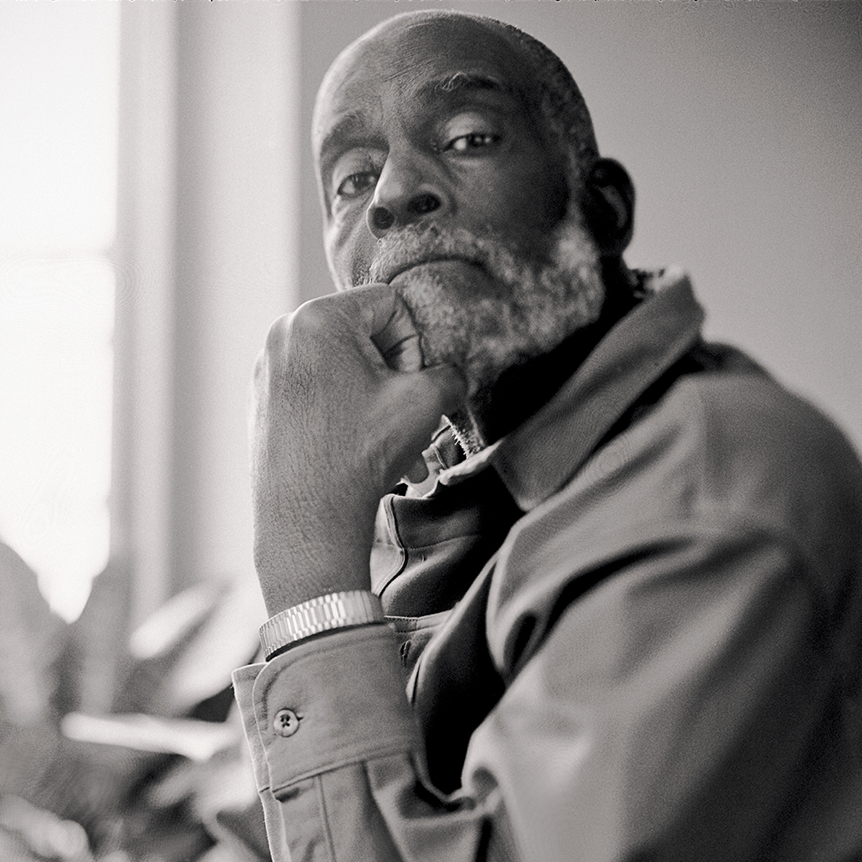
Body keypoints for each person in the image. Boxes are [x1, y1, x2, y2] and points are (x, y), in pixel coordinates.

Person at [231, 10, 862, 861]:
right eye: (351, 180)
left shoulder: (714, 489)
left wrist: (308, 576)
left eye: (468, 138)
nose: (391, 196)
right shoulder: (429, 506)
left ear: (602, 209)